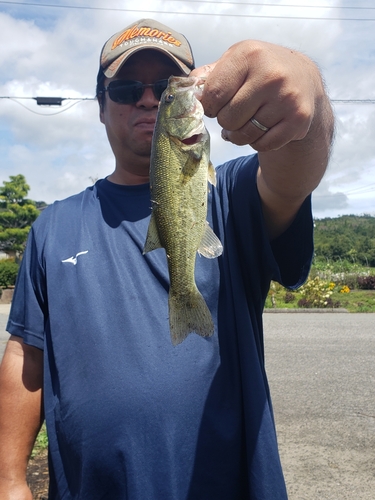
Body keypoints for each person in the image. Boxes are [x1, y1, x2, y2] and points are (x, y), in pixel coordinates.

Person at [0, 18, 334, 500]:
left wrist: (308, 89)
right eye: (127, 88)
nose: (149, 98)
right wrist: (9, 477)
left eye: (165, 85)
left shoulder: (231, 192)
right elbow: (24, 355)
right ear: (100, 108)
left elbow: (295, 167)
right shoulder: (52, 226)